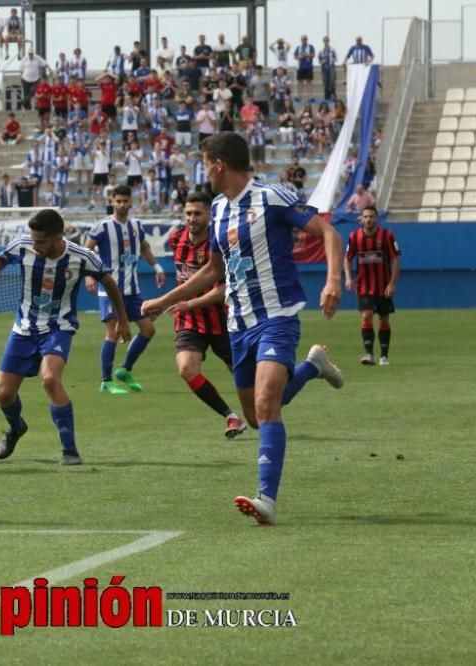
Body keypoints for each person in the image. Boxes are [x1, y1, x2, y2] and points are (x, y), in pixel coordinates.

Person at [142, 132, 345, 526]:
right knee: (256, 416)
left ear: (218, 164)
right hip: (238, 325)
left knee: (269, 405)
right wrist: (166, 300)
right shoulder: (218, 209)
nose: (205, 172)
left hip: (277, 316)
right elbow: (214, 271)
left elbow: (329, 234)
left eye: (205, 164)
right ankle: (313, 367)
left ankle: (266, 499)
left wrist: (333, 280)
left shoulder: (271, 197)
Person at [0, 209, 131, 465]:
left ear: (58, 237)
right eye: (33, 239)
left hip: (59, 327)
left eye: (41, 241)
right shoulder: (23, 246)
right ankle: (16, 427)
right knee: (3, 395)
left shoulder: (82, 256)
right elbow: (1, 258)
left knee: (50, 379)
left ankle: (69, 450)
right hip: (23, 329)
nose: (35, 245)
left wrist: (122, 320)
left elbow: (109, 282)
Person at [162, 192, 246, 437]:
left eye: (197, 213)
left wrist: (191, 303)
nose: (192, 218)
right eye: (188, 213)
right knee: (187, 369)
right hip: (188, 320)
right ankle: (231, 417)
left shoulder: (220, 243)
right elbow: (183, 279)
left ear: (210, 215)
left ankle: (310, 369)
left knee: (249, 380)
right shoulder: (176, 238)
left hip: (223, 320)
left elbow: (225, 288)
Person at [83, 185, 165, 395]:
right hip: (110, 289)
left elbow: (144, 247)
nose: (121, 204)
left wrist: (157, 267)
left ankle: (125, 370)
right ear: (111, 201)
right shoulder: (102, 226)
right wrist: (90, 275)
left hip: (132, 290)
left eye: (125, 201)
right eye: (117, 201)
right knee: (112, 332)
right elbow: (86, 251)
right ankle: (106, 381)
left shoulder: (136, 225)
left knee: (148, 329)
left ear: (131, 201)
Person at [343, 205, 400, 366]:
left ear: (377, 218)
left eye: (371, 216)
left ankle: (384, 355)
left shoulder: (387, 236)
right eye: (365, 216)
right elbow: (347, 258)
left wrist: (392, 283)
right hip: (364, 286)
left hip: (383, 286)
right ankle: (368, 354)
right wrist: (348, 278)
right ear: (361, 219)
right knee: (366, 315)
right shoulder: (354, 237)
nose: (368, 219)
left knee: (384, 319)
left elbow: (395, 259)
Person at [319, 36, 338, 101]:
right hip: (324, 68)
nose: (326, 42)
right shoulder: (321, 51)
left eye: (327, 40)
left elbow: (335, 58)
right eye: (325, 40)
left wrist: (333, 60)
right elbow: (320, 60)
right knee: (326, 81)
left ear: (328, 41)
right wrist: (322, 61)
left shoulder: (332, 49)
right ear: (323, 41)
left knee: (332, 81)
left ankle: (333, 94)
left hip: (331, 67)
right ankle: (327, 95)